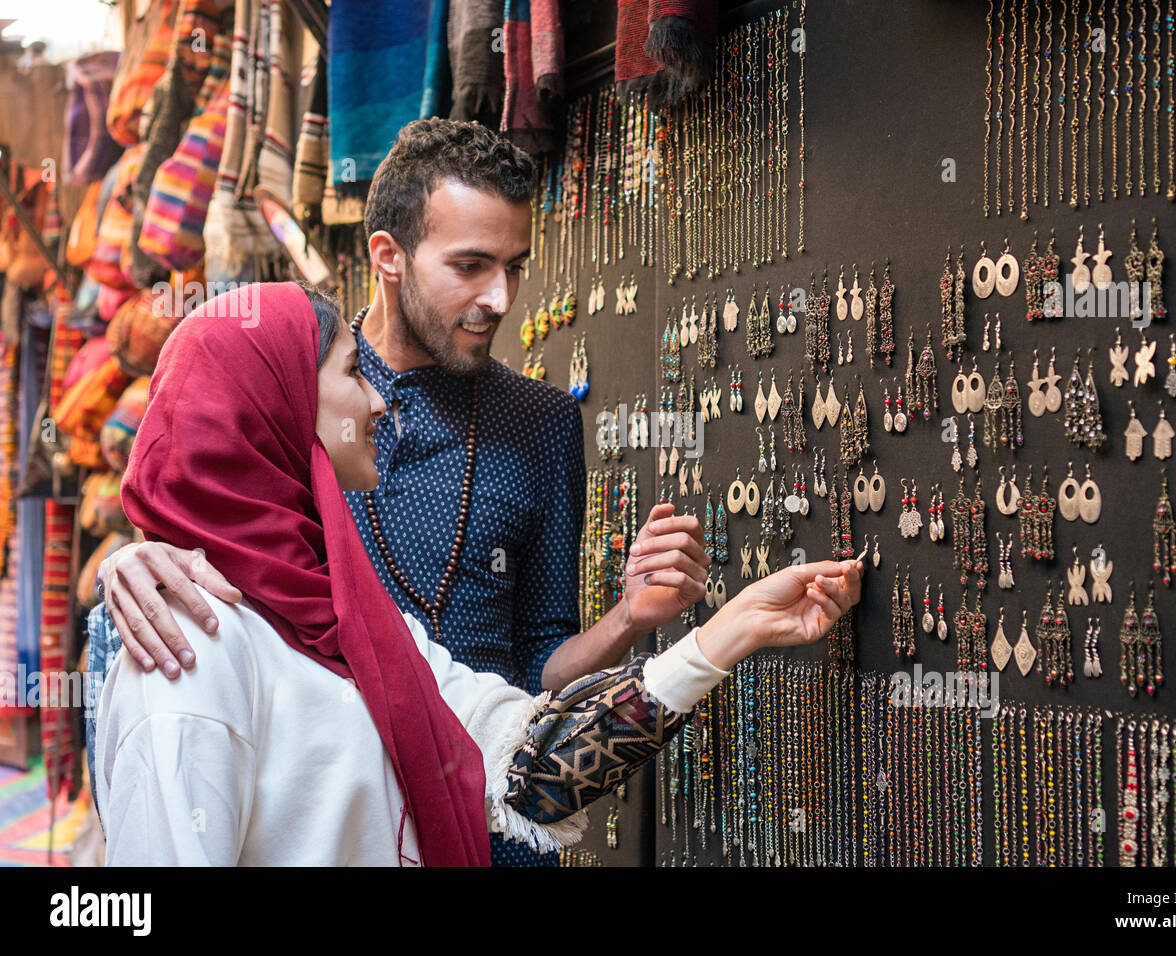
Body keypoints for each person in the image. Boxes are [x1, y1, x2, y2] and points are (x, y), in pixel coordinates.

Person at [90, 118, 710, 865]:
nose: (499, 297)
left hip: (502, 800)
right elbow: (217, 514)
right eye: (471, 264)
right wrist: (135, 557)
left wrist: (630, 621)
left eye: (515, 266)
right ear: (388, 256)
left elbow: (534, 674)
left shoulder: (541, 425)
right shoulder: (303, 406)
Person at [94, 282, 863, 865]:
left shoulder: (353, 628)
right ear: (280, 404)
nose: (379, 403)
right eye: (350, 375)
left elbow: (539, 768)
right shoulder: (190, 651)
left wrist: (730, 632)